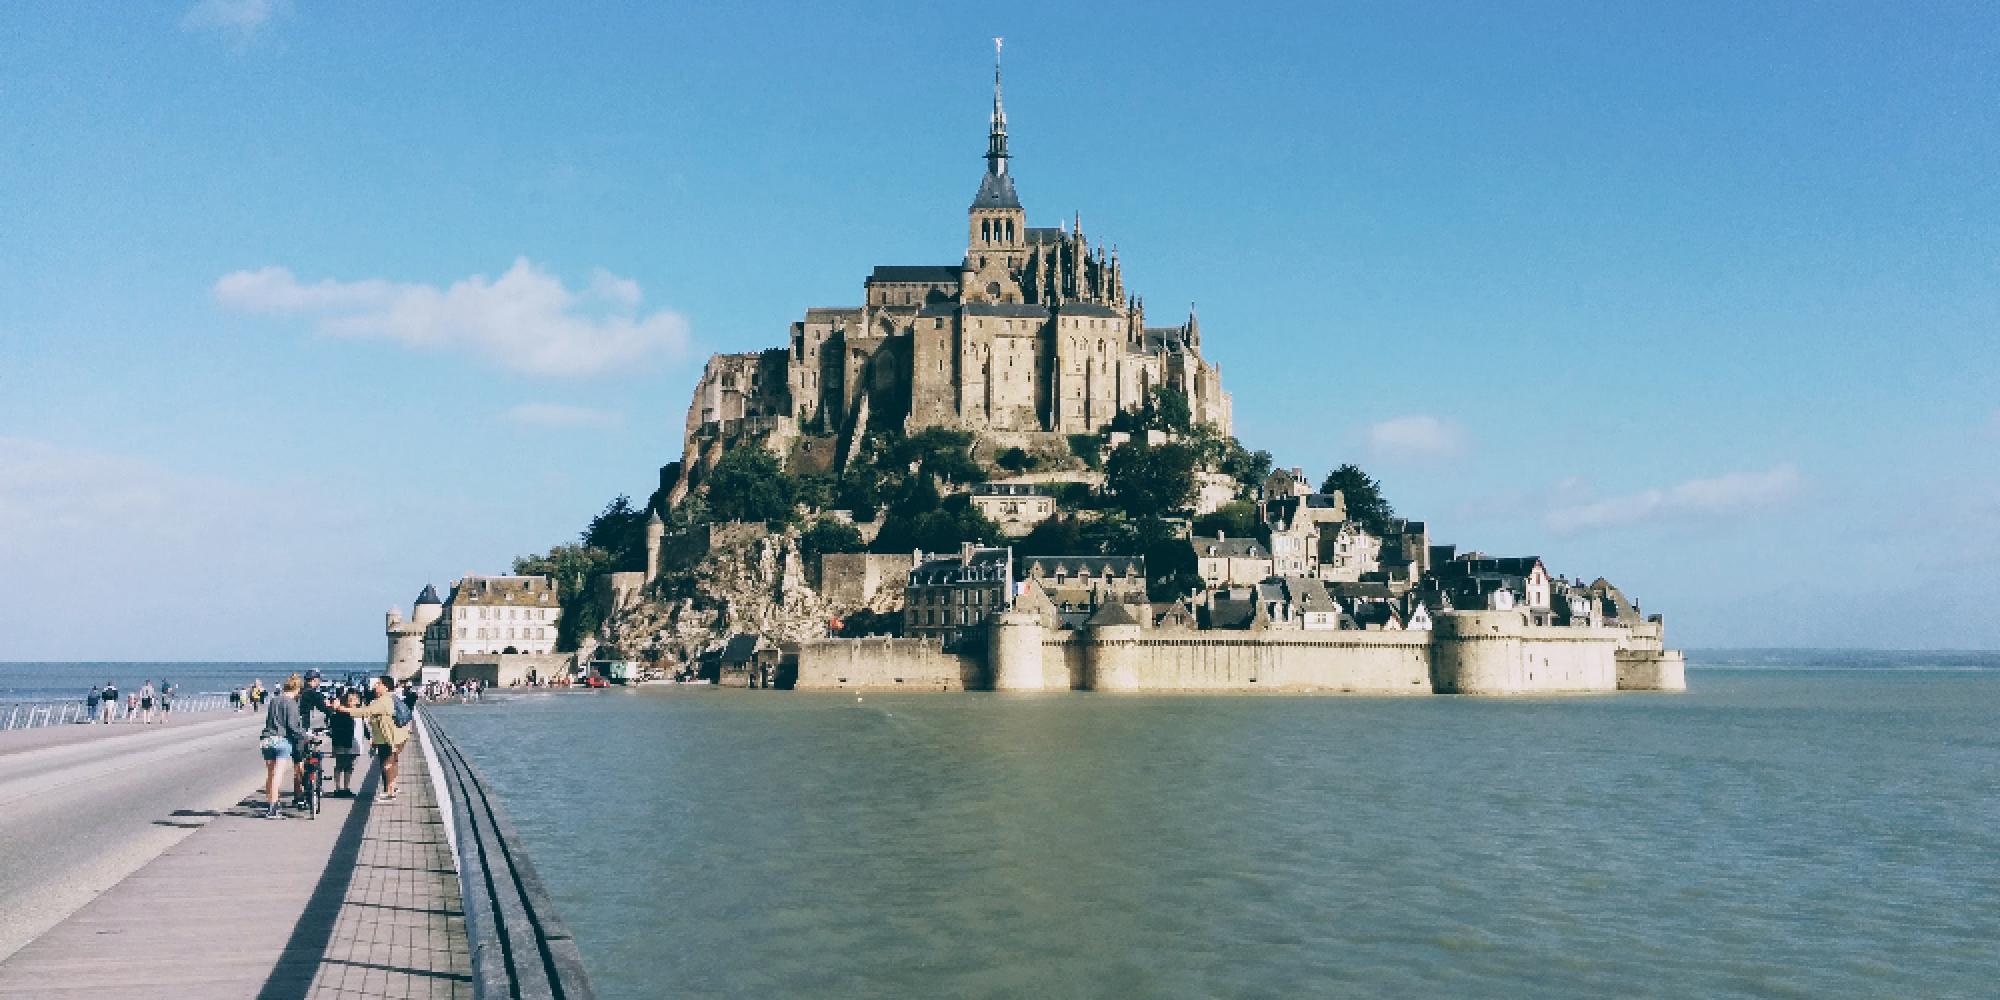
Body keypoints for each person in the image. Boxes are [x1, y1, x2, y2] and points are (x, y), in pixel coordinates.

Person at [333, 674, 409, 801]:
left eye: (378, 683)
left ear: (385, 687)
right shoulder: (390, 698)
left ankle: (389, 792)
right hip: (395, 736)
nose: (375, 686)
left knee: (387, 764)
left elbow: (364, 712)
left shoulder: (384, 701)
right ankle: (392, 787)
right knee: (392, 762)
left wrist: (341, 708)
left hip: (389, 738)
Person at [258, 675, 306, 819]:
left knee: (270, 774)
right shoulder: (291, 703)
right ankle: (273, 807)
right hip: (281, 741)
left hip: (267, 739)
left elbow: (270, 721)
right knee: (278, 775)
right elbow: (292, 726)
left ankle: (270, 803)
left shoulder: (274, 700)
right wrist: (303, 736)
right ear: (297, 689)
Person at [292, 670, 332, 809]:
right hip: (303, 729)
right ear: (314, 680)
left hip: (293, 729)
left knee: (298, 764)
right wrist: (333, 714)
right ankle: (310, 787)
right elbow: (323, 707)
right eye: (318, 680)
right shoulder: (312, 693)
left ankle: (298, 796)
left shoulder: (298, 691)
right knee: (307, 758)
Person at [328, 690, 363, 797]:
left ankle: (345, 788)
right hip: (343, 742)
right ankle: (338, 788)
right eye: (352, 699)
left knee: (349, 766)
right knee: (340, 765)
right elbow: (333, 726)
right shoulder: (342, 711)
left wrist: (370, 738)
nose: (354, 700)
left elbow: (363, 727)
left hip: (353, 743)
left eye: (356, 698)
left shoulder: (360, 711)